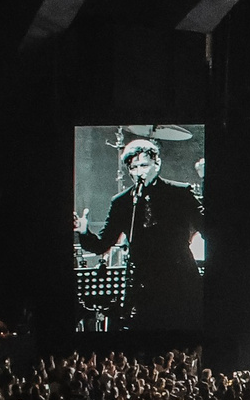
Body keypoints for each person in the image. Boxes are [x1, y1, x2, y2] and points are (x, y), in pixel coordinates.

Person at [76, 137, 205, 327]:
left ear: (157, 164)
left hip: (180, 279)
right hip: (145, 285)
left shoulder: (179, 193)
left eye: (144, 165)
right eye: (133, 168)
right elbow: (102, 244)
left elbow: (207, 226)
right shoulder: (122, 202)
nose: (138, 173)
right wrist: (84, 231)